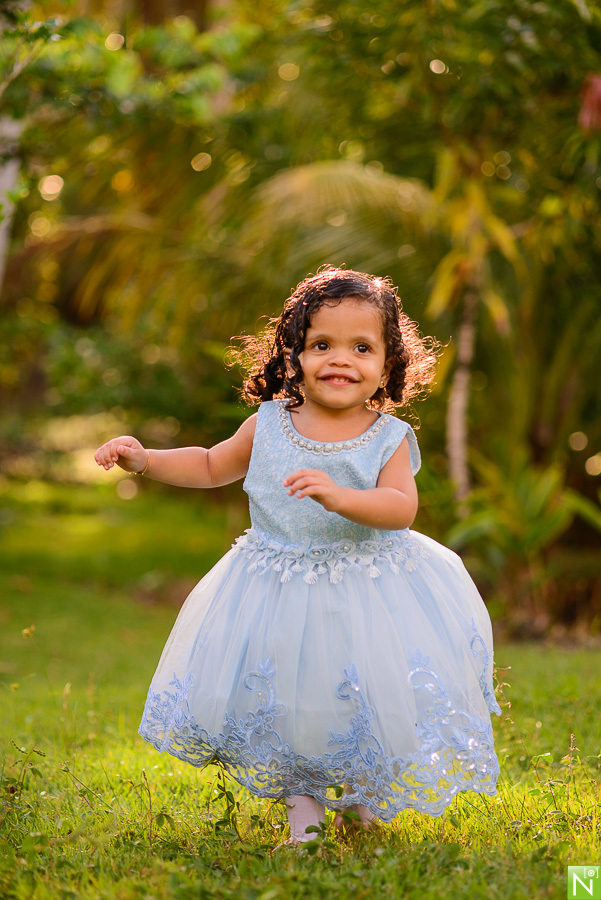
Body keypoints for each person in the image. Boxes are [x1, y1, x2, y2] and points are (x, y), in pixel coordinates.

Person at [94, 267, 501, 847]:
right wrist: (144, 460)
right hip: (277, 587)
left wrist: (342, 496)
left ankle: (361, 809)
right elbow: (211, 465)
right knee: (290, 701)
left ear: (388, 365)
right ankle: (303, 817)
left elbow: (399, 508)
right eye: (322, 345)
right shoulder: (269, 424)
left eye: (362, 347)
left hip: (368, 589)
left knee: (363, 695)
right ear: (294, 356)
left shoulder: (387, 436)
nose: (341, 359)